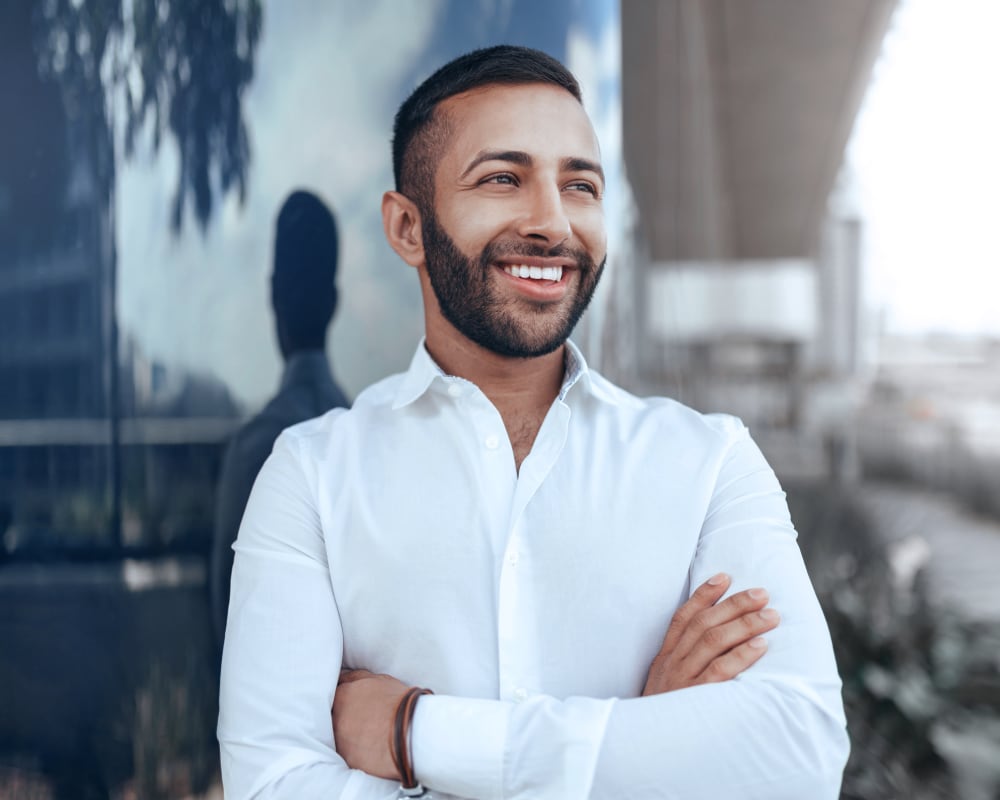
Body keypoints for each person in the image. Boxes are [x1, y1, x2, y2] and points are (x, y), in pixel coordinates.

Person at [218, 46, 849, 799]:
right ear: (407, 227)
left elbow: (798, 756)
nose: (552, 222)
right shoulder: (310, 477)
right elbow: (273, 786)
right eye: (502, 179)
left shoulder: (711, 463)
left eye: (580, 185)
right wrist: (639, 743)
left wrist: (412, 732)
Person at [210, 189, 349, 646]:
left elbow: (227, 630)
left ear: (273, 296)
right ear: (334, 303)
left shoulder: (254, 449)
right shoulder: (366, 441)